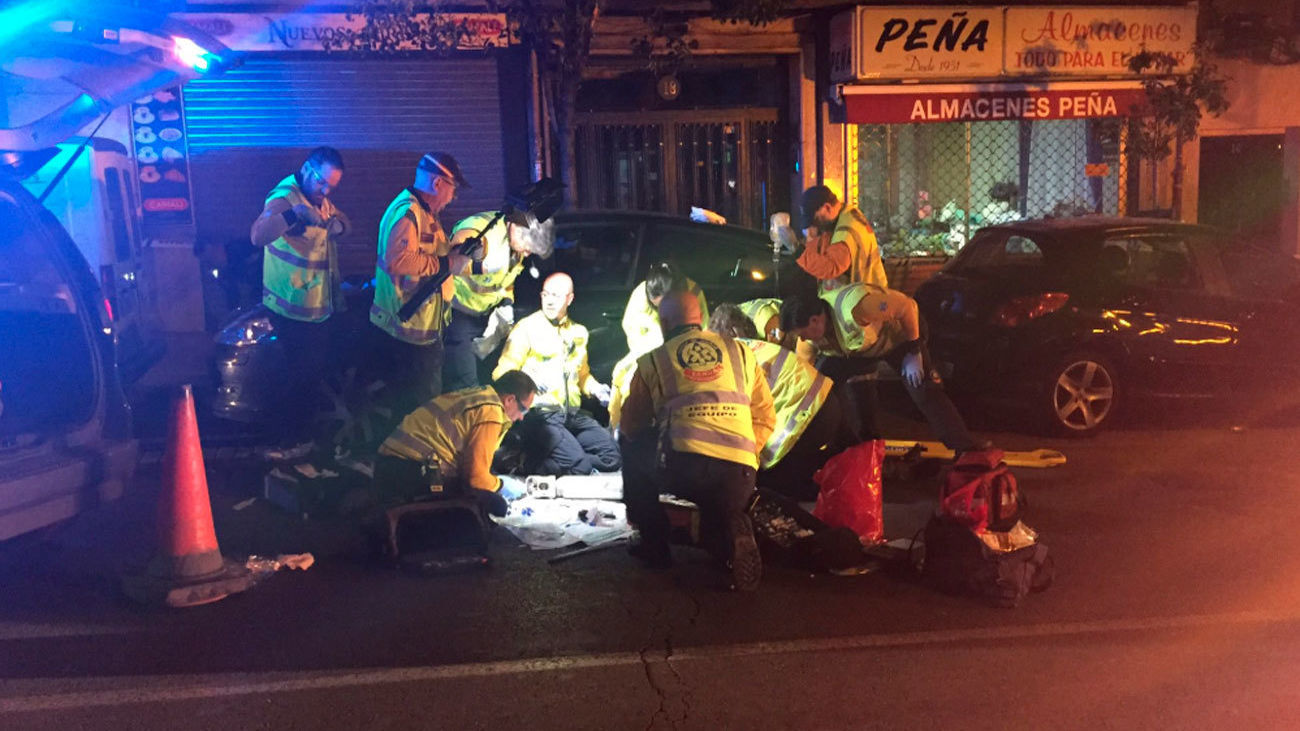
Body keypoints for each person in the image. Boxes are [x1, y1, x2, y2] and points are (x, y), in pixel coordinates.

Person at [619, 291, 776, 591]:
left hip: (684, 468)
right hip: (739, 472)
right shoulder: (740, 352)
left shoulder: (655, 359)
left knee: (632, 446)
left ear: (664, 323)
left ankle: (654, 544)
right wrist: (745, 453)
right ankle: (730, 536)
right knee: (717, 528)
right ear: (701, 319)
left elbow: (630, 425)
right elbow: (766, 415)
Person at [780, 284, 981, 453]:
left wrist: (914, 350)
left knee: (922, 387)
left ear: (815, 320)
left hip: (900, 339)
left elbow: (907, 307)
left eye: (803, 333)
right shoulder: (808, 340)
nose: (803, 339)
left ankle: (965, 449)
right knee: (823, 392)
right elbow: (805, 375)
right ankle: (845, 447)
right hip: (860, 350)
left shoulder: (857, 308)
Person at [249, 146, 350, 456]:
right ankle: (290, 442)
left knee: (309, 378)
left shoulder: (318, 197)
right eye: (322, 182)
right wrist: (293, 215)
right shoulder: (285, 198)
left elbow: (344, 223)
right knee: (298, 381)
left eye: (332, 186)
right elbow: (258, 234)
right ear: (307, 169)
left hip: (316, 309)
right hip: (291, 310)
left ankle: (301, 439)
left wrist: (338, 225)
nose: (326, 190)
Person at [708, 304, 857, 501]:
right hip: (826, 405)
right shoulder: (757, 346)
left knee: (766, 481)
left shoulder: (731, 355)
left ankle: (830, 492)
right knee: (794, 464)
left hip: (807, 418)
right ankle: (840, 475)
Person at [369, 152, 471, 417]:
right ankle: (417, 455)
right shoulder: (408, 212)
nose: (453, 197)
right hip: (410, 332)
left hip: (420, 328)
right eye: (453, 189)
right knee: (422, 410)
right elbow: (399, 260)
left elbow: (430, 252)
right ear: (438, 184)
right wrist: (447, 263)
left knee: (417, 406)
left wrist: (458, 251)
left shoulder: (423, 212)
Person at [492, 272, 620, 475]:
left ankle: (550, 456)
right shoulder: (527, 328)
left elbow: (582, 375)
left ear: (569, 299)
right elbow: (501, 373)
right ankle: (523, 462)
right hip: (543, 415)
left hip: (571, 415)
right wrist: (527, 381)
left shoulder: (579, 332)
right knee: (580, 467)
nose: (549, 301)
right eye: (545, 294)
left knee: (612, 458)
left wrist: (596, 389)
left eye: (556, 296)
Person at [374, 370, 536, 507]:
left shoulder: (478, 394)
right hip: (410, 472)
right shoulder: (491, 411)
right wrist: (501, 486)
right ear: (509, 400)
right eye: (523, 410)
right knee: (494, 506)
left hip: (389, 464)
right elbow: (476, 480)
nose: (521, 417)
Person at [443, 210, 552, 391]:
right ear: (516, 229)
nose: (526, 254)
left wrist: (507, 304)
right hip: (456, 315)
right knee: (465, 386)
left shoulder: (516, 249)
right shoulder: (482, 232)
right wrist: (481, 266)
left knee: (483, 378)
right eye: (527, 248)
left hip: (484, 319)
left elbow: (505, 282)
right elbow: (448, 261)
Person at [608, 263, 710, 431]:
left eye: (664, 307)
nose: (661, 312)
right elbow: (633, 334)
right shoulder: (642, 294)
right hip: (651, 354)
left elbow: (702, 333)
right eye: (657, 307)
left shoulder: (694, 294)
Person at [797, 185, 888, 294]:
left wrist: (797, 251)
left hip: (864, 301)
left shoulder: (845, 233)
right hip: (871, 293)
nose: (815, 225)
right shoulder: (848, 212)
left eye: (816, 219)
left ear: (827, 207)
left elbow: (831, 268)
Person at [621, 262, 710, 356]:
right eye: (658, 307)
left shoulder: (694, 293)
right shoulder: (639, 300)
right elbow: (635, 342)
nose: (663, 311)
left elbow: (704, 330)